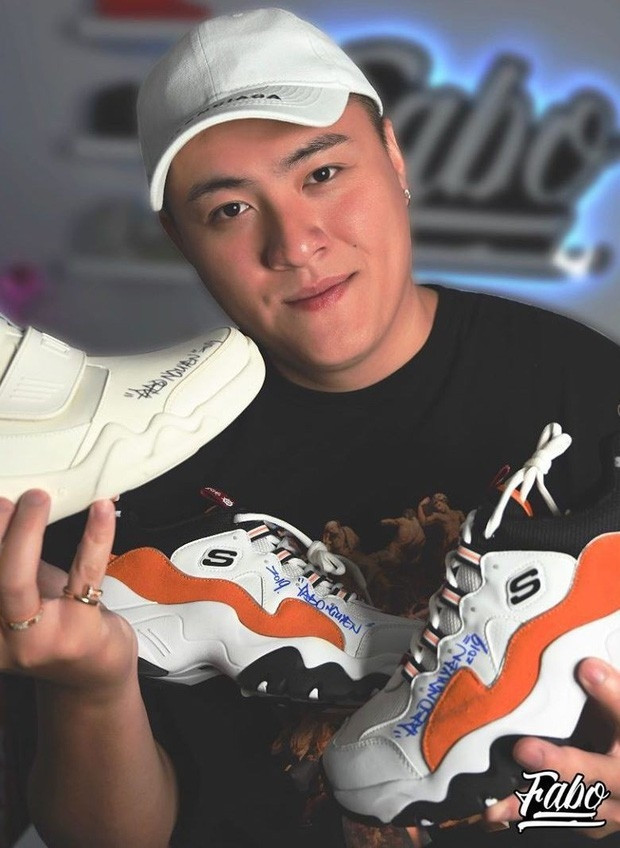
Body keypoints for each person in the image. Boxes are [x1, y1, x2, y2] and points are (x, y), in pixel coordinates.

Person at [1, 8, 620, 848]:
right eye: (228, 210)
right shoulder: (124, 470)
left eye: (322, 173)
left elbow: (554, 790)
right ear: (180, 238)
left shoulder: (585, 391)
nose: (294, 243)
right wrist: (92, 686)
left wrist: (580, 802)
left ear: (394, 157)